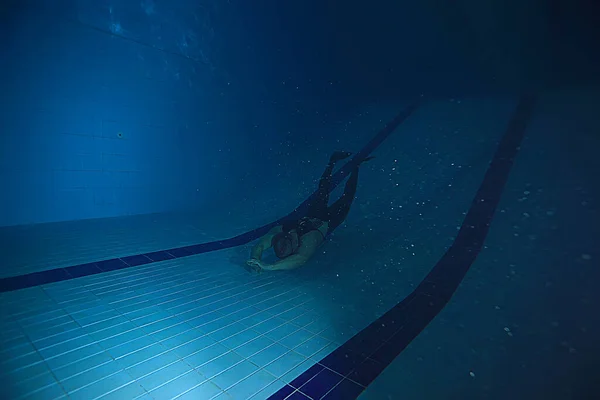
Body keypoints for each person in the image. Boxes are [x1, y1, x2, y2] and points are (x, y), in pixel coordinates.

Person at [246, 151, 373, 272]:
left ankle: (332, 161)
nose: (290, 234)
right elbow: (301, 259)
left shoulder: (280, 231)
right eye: (289, 242)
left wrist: (255, 260)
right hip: (330, 221)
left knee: (322, 191)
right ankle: (356, 168)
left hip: (314, 215)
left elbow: (259, 246)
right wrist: (269, 267)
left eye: (285, 238)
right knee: (347, 197)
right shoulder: (308, 240)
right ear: (295, 246)